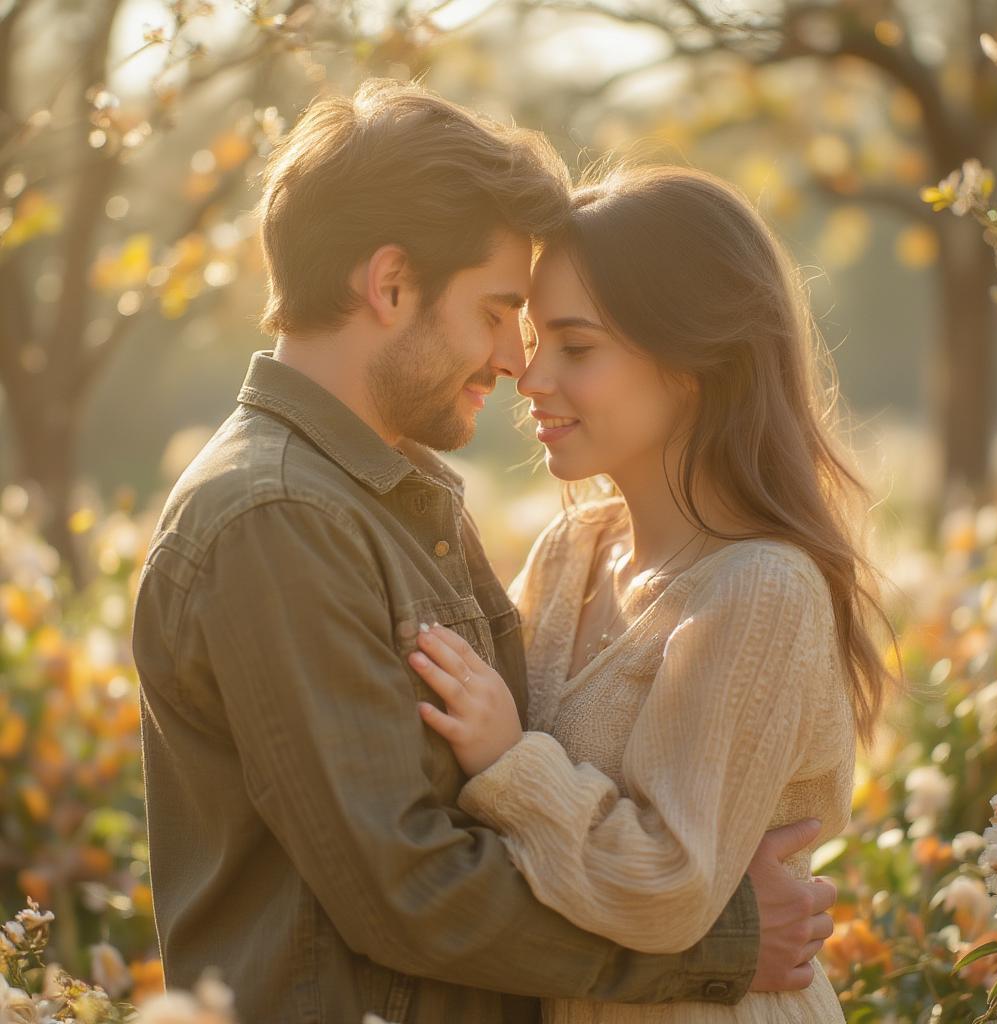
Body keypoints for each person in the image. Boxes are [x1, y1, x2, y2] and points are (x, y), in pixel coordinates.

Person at [132, 83, 838, 1024]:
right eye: (501, 312)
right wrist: (724, 939)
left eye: (558, 340)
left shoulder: (391, 500)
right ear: (389, 285)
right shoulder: (280, 516)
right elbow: (410, 887)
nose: (516, 363)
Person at [407, 165, 899, 1022]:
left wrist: (508, 761)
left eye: (578, 346)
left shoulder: (760, 592)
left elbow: (668, 888)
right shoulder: (571, 553)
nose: (530, 378)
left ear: (695, 363)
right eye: (533, 340)